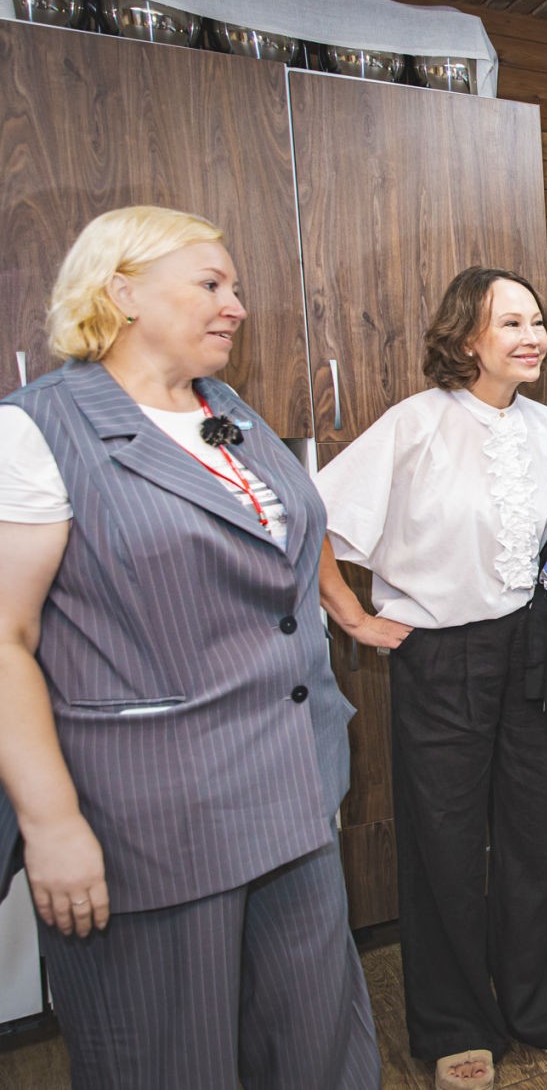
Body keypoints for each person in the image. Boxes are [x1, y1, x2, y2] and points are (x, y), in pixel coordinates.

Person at [0, 205, 379, 1088]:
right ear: (121, 291)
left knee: (316, 1046)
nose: (235, 305)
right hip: (151, 818)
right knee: (170, 1059)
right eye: (210, 283)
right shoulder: (39, 429)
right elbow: (7, 638)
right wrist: (52, 823)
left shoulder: (226, 409)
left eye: (235, 286)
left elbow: (289, 544)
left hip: (293, 786)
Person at [316, 267, 547, 1090]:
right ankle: (453, 1023)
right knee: (442, 844)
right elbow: (313, 522)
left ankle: (544, 1002)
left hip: (531, 648)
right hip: (440, 658)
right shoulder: (415, 424)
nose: (531, 336)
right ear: (465, 336)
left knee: (532, 834)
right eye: (510, 322)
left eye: (536, 321)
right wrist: (355, 617)